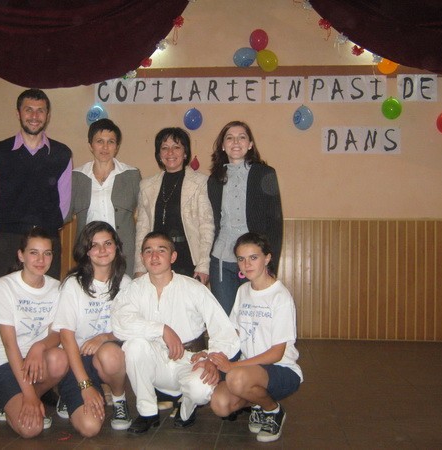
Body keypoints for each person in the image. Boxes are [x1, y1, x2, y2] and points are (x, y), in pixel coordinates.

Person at [0, 88, 73, 412]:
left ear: (48, 115)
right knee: (3, 312)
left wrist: (41, 235)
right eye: (28, 109)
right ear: (19, 113)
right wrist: (13, 225)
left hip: (47, 241)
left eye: (40, 110)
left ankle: (42, 383)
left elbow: (64, 203)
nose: (34, 115)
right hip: (8, 238)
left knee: (46, 312)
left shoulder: (61, 154)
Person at [112, 232, 240, 434]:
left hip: (190, 360)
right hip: (155, 360)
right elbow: (120, 323)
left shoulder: (193, 288)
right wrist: (162, 329)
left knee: (200, 389)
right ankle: (147, 412)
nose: (154, 256)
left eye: (161, 250)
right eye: (148, 251)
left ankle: (187, 407)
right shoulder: (133, 289)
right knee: (134, 346)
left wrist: (211, 359)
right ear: (142, 257)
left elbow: (223, 329)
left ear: (173, 257)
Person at [209, 232, 302, 443]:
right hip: (248, 370)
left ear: (267, 258)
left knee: (235, 378)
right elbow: (232, 334)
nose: (246, 264)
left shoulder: (280, 297)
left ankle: (273, 410)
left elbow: (276, 353)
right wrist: (210, 356)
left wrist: (233, 367)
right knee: (220, 404)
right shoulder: (243, 291)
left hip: (281, 369)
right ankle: (258, 403)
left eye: (253, 257)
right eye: (241, 259)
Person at [0, 227, 68, 438]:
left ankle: (19, 398)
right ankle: (11, 397)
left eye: (47, 253)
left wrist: (39, 347)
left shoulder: (57, 288)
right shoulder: (4, 286)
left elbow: (57, 333)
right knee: (31, 430)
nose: (41, 260)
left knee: (59, 358)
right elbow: (9, 345)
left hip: (35, 359)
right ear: (21, 255)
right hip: (3, 360)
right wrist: (29, 396)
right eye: (33, 252)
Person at [51, 221, 133, 437]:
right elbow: (66, 337)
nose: (102, 250)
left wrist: (104, 337)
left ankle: (119, 399)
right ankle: (70, 393)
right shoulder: (73, 284)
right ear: (86, 251)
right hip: (76, 359)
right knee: (90, 427)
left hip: (107, 357)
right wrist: (85, 385)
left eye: (108, 243)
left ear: (116, 247)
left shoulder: (126, 283)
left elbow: (131, 327)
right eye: (94, 245)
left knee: (111, 353)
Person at [208, 120, 283, 316]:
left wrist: (271, 263)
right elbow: (212, 222)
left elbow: (275, 223)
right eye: (229, 138)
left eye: (242, 137)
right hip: (221, 260)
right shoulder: (214, 180)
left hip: (254, 260)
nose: (236, 142)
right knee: (225, 320)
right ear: (223, 145)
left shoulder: (265, 174)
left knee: (253, 319)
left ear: (250, 144)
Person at [134, 127, 214, 284]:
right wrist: (139, 266)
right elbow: (142, 229)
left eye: (176, 147)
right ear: (159, 154)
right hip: (156, 259)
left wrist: (203, 265)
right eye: (164, 148)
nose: (170, 152)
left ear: (185, 153)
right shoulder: (146, 186)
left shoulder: (201, 183)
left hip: (188, 258)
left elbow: (206, 226)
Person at [69, 118, 140, 277]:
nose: (105, 147)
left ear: (117, 146)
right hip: (89, 252)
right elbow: (64, 213)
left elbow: (145, 215)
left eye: (111, 142)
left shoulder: (131, 175)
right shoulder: (76, 177)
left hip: (124, 253)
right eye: (99, 141)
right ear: (90, 145)